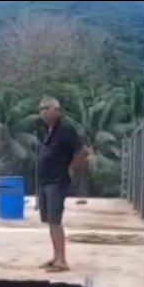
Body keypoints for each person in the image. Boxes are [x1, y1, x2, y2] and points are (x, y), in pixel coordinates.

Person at [36, 97, 89, 272]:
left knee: (55, 220)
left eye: (47, 108)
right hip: (46, 181)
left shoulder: (65, 129)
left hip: (56, 182)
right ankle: (56, 256)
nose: (43, 112)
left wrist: (72, 167)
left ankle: (62, 260)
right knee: (50, 221)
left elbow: (83, 151)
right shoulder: (50, 130)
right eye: (41, 109)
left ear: (57, 111)